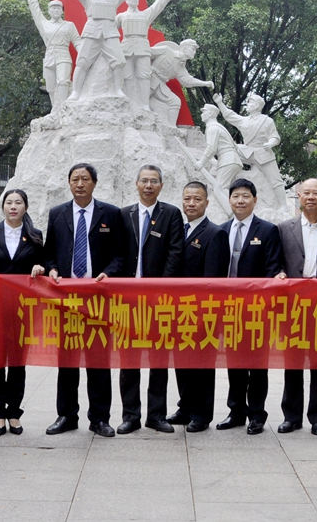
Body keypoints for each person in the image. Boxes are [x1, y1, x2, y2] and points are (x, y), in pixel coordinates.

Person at [35, 163, 126, 437]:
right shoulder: (58, 213)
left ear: (94, 183)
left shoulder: (111, 213)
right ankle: (66, 415)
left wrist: (108, 273)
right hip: (67, 299)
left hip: (98, 298)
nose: (79, 184)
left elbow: (120, 255)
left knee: (98, 361)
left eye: (85, 179)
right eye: (75, 179)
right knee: (67, 360)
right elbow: (49, 252)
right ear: (69, 183)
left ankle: (100, 418)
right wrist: (52, 268)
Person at [274, 178, 317, 436]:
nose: (311, 197)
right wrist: (280, 272)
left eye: (316, 193)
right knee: (292, 361)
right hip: (292, 305)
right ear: (299, 197)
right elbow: (276, 261)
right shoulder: (284, 228)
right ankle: (291, 417)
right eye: (306, 193)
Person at [118, 165, 185, 434]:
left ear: (161, 186)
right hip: (128, 300)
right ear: (136, 184)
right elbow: (118, 254)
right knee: (129, 360)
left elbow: (175, 253)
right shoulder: (124, 214)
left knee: (159, 360)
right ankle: (130, 416)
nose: (148, 185)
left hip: (160, 300)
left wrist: (160, 288)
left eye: (154, 181)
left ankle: (156, 415)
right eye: (144, 181)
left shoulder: (171, 214)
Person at [216, 178, 282, 436]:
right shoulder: (221, 230)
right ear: (229, 200)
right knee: (234, 363)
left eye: (245, 196)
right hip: (229, 309)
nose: (240, 201)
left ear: (255, 200)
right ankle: (236, 411)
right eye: (236, 196)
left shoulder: (267, 230)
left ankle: (256, 414)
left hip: (257, 310)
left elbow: (272, 268)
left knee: (257, 364)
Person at [0, 188, 43, 436]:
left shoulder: (35, 235)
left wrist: (40, 267)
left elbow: (44, 263)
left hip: (24, 307)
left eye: (18, 203)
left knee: (17, 361)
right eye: (9, 202)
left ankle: (14, 412)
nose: (13, 207)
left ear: (25, 207)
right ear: (3, 207)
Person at [167, 181, 230, 433]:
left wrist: (206, 313)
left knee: (202, 363)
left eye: (197, 199)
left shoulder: (215, 233)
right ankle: (185, 407)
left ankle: (202, 414)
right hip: (176, 310)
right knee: (181, 361)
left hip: (202, 311)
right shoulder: (177, 230)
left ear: (206, 202)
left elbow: (213, 279)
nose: (191, 204)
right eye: (187, 199)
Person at [62, 0, 146, 101]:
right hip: (92, 31)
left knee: (119, 61)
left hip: (110, 32)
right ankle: (76, 92)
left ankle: (118, 90)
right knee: (82, 62)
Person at [212, 92, 288, 208]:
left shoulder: (267, 121)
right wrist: (220, 103)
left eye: (250, 102)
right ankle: (222, 171)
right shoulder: (244, 120)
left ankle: (283, 206)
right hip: (246, 151)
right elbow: (229, 115)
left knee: (276, 180)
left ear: (256, 105)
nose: (247, 104)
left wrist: (270, 143)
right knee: (230, 149)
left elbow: (275, 137)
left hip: (263, 152)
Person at [25, 0, 83, 109]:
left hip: (63, 56)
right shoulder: (44, 24)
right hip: (49, 57)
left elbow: (77, 41)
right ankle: (55, 110)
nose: (56, 10)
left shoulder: (69, 25)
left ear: (62, 11)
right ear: (49, 10)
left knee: (63, 81)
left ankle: (62, 109)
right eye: (53, 8)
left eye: (58, 8)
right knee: (50, 87)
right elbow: (36, 12)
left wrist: (83, 54)